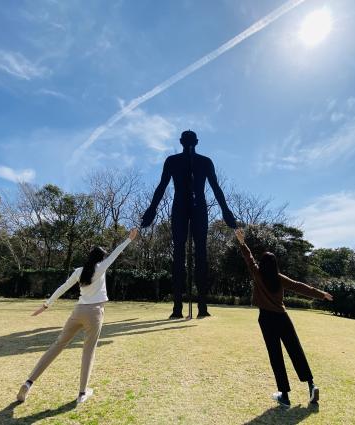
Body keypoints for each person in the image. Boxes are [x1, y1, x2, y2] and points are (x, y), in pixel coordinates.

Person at [17, 228, 138, 405]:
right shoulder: (101, 267)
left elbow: (62, 288)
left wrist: (46, 305)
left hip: (78, 311)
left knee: (56, 346)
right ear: (100, 259)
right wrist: (129, 239)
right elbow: (116, 253)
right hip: (95, 313)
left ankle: (29, 382)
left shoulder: (78, 271)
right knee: (88, 352)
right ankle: (82, 393)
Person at [141, 130, 236, 319]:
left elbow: (216, 187)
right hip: (180, 207)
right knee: (178, 254)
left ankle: (202, 306)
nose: (189, 143)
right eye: (187, 140)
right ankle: (177, 308)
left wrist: (226, 210)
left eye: (190, 140)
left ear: (195, 142)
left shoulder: (205, 161)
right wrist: (152, 209)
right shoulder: (172, 160)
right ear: (182, 142)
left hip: (199, 207)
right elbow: (162, 186)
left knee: (202, 253)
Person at [234, 228, 333, 407]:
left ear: (263, 265)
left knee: (276, 356)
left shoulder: (257, 274)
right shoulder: (279, 278)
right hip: (283, 318)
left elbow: (249, 259)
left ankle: (285, 396)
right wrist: (321, 294)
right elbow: (299, 286)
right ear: (275, 265)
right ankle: (311, 385)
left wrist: (242, 242)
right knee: (296, 351)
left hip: (266, 319)